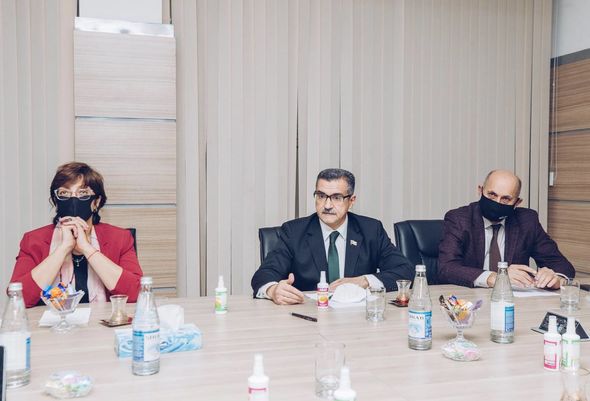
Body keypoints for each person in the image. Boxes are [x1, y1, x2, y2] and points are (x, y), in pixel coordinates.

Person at [251, 168, 414, 305]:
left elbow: (405, 270)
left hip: (357, 319)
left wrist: (364, 280)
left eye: (336, 198)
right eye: (321, 196)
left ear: (351, 201)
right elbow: (264, 275)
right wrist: (273, 290)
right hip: (308, 317)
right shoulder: (294, 232)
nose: (327, 205)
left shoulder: (371, 230)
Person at [10, 162, 143, 308]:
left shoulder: (120, 238)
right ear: (56, 200)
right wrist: (64, 248)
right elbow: (19, 298)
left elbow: (136, 293)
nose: (73, 200)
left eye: (83, 193)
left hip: (101, 321)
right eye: (64, 193)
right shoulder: (33, 240)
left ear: (96, 202)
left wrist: (87, 248)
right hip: (53, 321)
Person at [438, 169, 574, 289]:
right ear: (480, 190)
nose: (497, 202)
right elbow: (446, 268)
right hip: (470, 299)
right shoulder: (459, 219)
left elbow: (562, 265)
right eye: (492, 195)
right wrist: (496, 277)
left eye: (505, 199)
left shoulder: (527, 221)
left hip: (514, 299)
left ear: (517, 202)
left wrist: (555, 278)